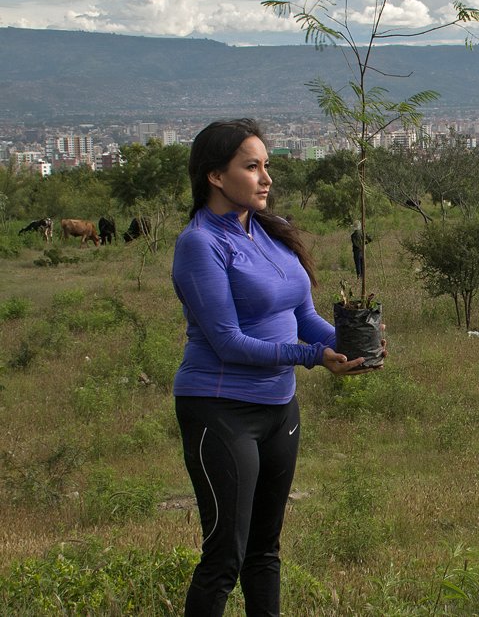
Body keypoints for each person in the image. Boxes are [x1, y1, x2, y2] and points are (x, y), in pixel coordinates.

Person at [172, 119, 383, 616]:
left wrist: (353, 344)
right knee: (226, 555)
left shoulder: (267, 231)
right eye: (252, 166)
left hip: (278, 410)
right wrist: (312, 357)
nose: (266, 178)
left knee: (265, 553)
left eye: (266, 165)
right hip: (220, 410)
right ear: (215, 177)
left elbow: (302, 315)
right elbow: (226, 342)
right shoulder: (200, 243)